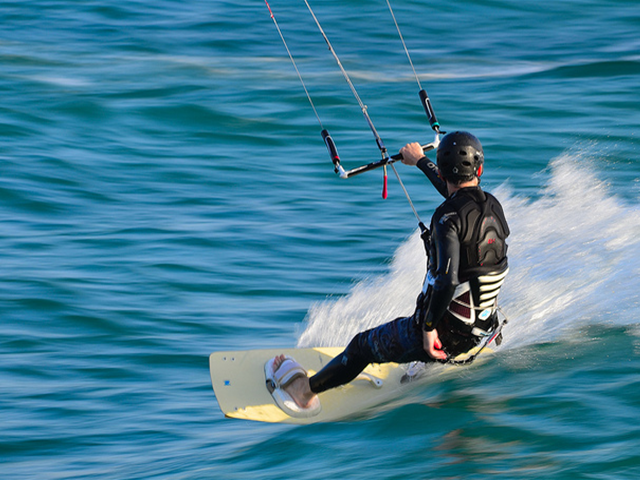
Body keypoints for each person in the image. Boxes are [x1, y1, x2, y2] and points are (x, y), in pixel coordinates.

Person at [266, 131, 510, 415]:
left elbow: (447, 279)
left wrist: (429, 330)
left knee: (360, 347)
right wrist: (420, 160)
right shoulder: (493, 206)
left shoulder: (447, 219)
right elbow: (458, 196)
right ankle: (424, 366)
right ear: (479, 169)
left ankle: (303, 391)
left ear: (443, 173)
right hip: (480, 329)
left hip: (445, 334)